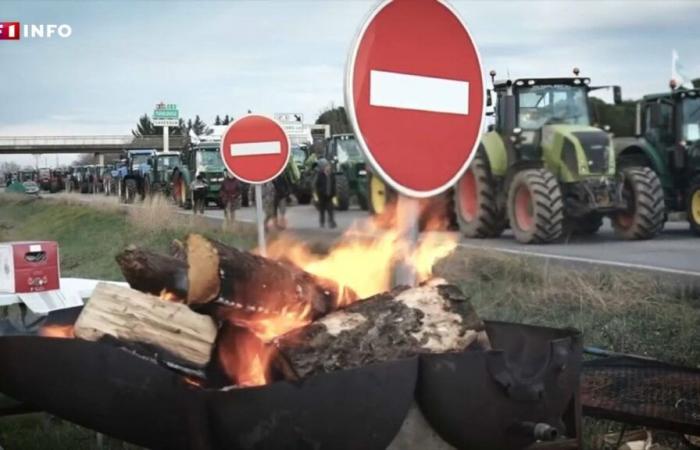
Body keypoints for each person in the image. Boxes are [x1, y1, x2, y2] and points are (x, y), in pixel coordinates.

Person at [314, 159, 336, 228]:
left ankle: (331, 222)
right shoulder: (320, 175)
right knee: (322, 210)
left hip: (330, 195)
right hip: (322, 196)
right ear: (323, 167)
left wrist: (334, 193)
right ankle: (322, 222)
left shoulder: (332, 175)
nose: (328, 167)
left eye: (328, 166)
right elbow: (316, 185)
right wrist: (319, 193)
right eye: (326, 166)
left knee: (331, 210)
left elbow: (334, 184)